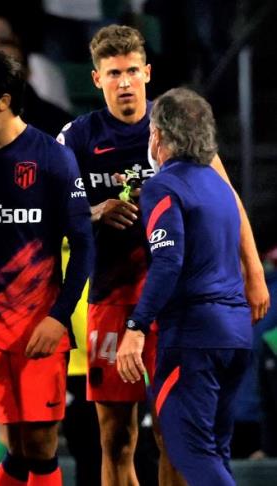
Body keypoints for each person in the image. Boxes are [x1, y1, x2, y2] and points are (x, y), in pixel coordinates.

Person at [57, 24, 270, 486]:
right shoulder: (77, 138)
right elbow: (49, 212)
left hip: (175, 305)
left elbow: (228, 197)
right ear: (96, 79)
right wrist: (94, 211)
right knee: (116, 437)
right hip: (112, 298)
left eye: (132, 70)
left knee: (174, 434)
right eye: (114, 73)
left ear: (148, 72)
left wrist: (253, 271)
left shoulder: (174, 125)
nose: (125, 82)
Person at [0, 47, 94, 486]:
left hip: (37, 326)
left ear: (4, 101)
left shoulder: (53, 158)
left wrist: (58, 317)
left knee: (37, 452)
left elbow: (83, 246)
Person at [116, 87, 252, 486]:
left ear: (158, 135)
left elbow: (168, 262)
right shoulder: (220, 187)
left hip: (194, 338)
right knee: (215, 450)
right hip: (235, 335)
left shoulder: (164, 186)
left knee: (190, 451)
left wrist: (136, 326)